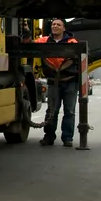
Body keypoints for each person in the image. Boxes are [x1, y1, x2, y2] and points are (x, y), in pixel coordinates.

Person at [37, 18, 81, 147]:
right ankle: (49, 137)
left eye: (58, 24)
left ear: (64, 28)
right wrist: (27, 32)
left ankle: (67, 138)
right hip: (53, 82)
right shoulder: (44, 41)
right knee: (52, 111)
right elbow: (29, 43)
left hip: (70, 82)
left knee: (69, 111)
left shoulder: (72, 43)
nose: (55, 26)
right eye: (53, 24)